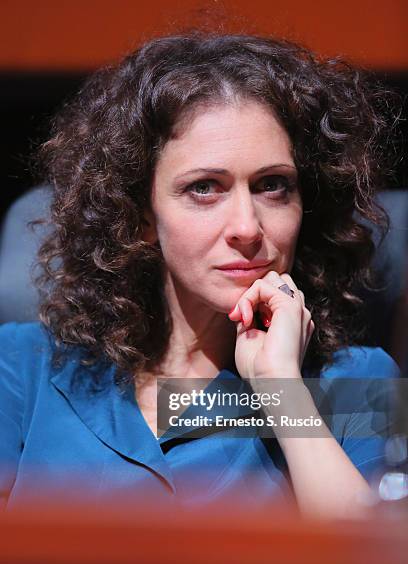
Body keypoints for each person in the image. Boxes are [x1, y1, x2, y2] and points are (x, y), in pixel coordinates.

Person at [0, 31, 401, 518]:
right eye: (205, 188)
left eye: (273, 186)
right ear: (141, 215)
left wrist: (282, 389)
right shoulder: (22, 367)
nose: (247, 228)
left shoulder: (357, 382)